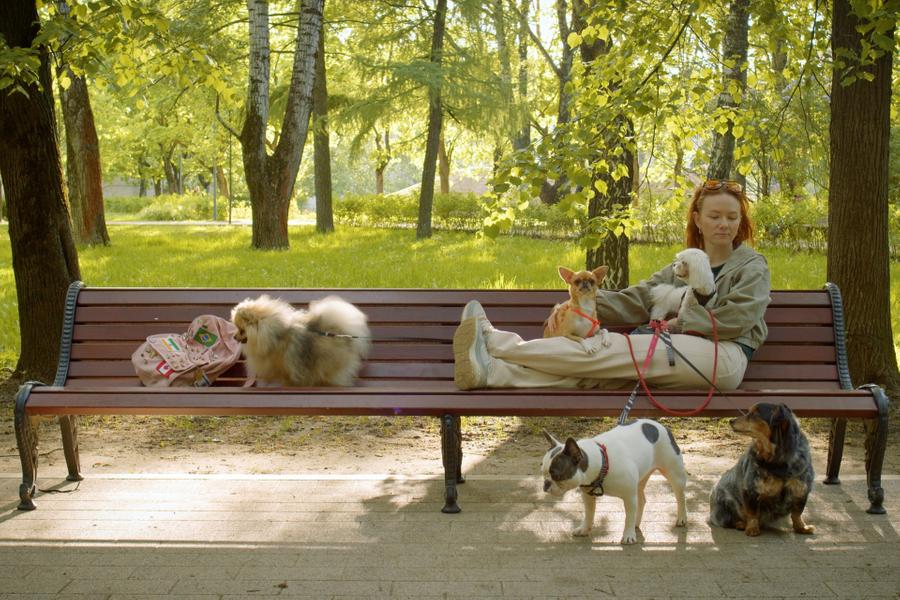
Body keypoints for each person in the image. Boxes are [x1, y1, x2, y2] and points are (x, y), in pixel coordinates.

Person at [453, 179, 771, 391]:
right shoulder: (682, 265)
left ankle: (495, 344)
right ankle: (492, 373)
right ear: (698, 220)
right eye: (715, 216)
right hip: (676, 356)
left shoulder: (751, 266)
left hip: (723, 358)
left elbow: (738, 319)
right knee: (593, 376)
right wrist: (580, 305)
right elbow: (638, 299)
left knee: (607, 348)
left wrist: (681, 322)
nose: (724, 224)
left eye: (732, 217)